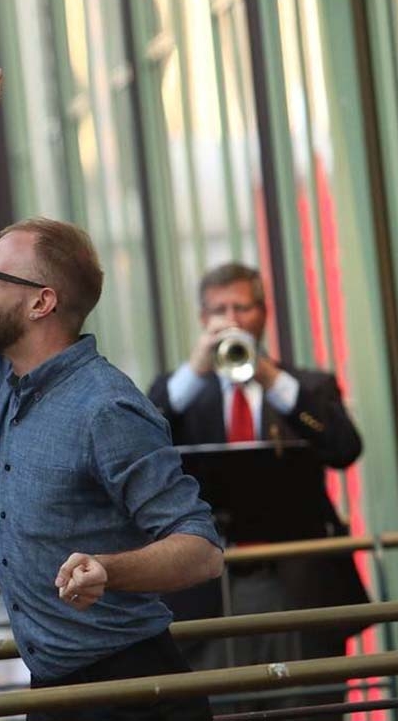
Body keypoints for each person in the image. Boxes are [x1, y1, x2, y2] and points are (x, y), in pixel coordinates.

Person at [0, 47, 223, 721]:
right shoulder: (14, 376)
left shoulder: (106, 406)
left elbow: (200, 551)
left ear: (41, 302)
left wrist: (111, 569)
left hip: (132, 696)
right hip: (59, 692)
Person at [148, 262, 366, 713]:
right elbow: (145, 443)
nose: (231, 319)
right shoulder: (180, 393)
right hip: (212, 590)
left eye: (241, 308)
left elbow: (343, 448)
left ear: (263, 314)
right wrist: (195, 367)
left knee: (311, 705)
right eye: (218, 309)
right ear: (202, 318)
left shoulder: (307, 387)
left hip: (297, 586)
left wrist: (269, 377)